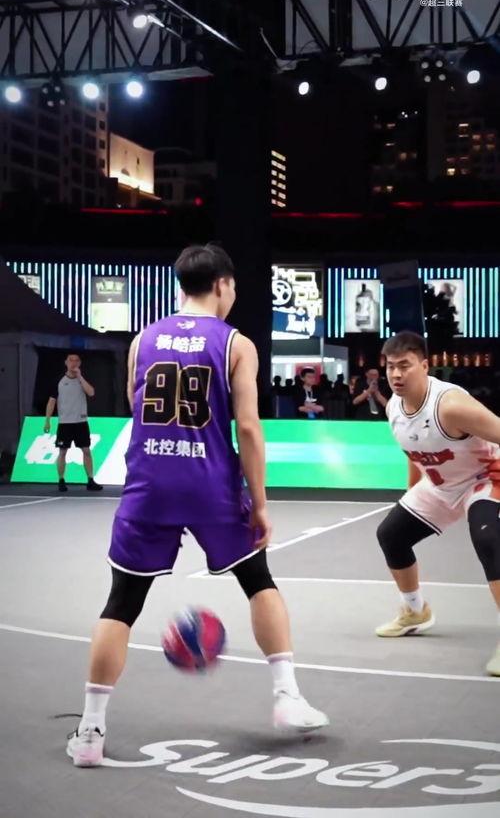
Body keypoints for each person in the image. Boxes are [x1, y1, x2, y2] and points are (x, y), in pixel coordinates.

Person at [67, 244, 328, 767]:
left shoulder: (142, 340)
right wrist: (259, 502)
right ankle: (287, 697)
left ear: (181, 286)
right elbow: (248, 427)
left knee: (121, 602)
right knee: (258, 580)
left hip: (149, 484)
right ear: (223, 285)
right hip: (210, 483)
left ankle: (91, 732)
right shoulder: (236, 343)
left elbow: (138, 409)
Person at [375, 331, 500, 677]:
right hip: (440, 484)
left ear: (425, 366)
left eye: (405, 366)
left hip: (484, 477)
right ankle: (415, 611)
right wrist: (410, 495)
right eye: (390, 366)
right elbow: (413, 450)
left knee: (488, 539)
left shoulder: (450, 406)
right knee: (391, 535)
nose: (396, 374)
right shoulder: (393, 407)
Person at [44, 354, 102, 492]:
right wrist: (47, 420)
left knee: (86, 450)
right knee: (62, 451)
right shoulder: (59, 381)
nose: (73, 363)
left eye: (76, 360)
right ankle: (61, 480)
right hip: (65, 423)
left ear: (80, 363)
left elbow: (91, 393)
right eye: (71, 360)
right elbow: (51, 402)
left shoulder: (82, 380)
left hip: (81, 422)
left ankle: (90, 480)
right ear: (66, 362)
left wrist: (80, 377)